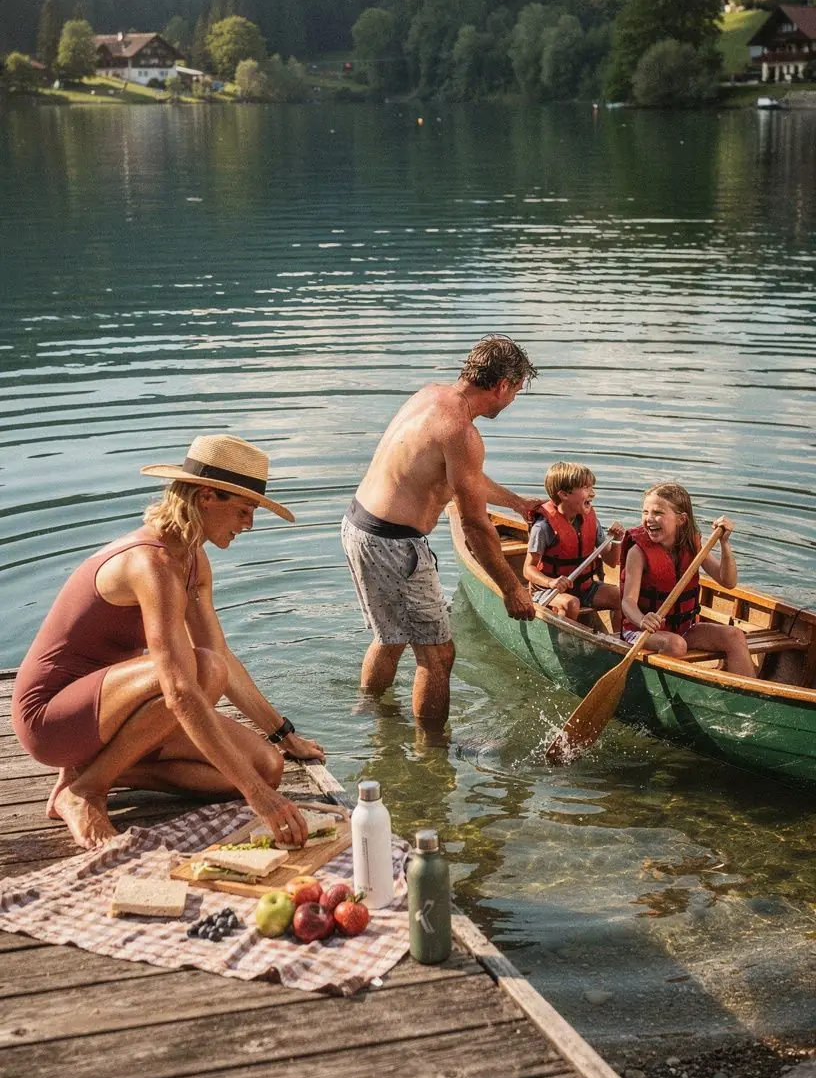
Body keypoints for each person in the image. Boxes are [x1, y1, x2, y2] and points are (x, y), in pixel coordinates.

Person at [12, 434, 328, 851]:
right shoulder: (152, 563)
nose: (249, 524)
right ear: (207, 496)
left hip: (115, 714)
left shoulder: (193, 558)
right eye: (244, 510)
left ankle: (101, 768)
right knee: (201, 672)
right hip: (53, 718)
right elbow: (181, 688)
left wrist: (283, 736)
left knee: (266, 767)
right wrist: (259, 799)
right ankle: (86, 790)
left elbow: (223, 658)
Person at [341, 335, 542, 724]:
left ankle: (367, 711)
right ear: (502, 385)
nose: (513, 400)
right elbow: (474, 525)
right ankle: (433, 753)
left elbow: (459, 479)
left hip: (359, 526)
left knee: (392, 636)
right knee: (438, 654)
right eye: (516, 390)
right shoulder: (462, 432)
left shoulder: (431, 397)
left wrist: (517, 503)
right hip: (394, 545)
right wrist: (511, 587)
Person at [619, 481, 756, 677]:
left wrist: (725, 544)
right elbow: (627, 602)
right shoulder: (637, 552)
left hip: (684, 628)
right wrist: (642, 620)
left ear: (681, 519)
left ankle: (750, 696)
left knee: (734, 635)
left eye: (657, 512)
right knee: (676, 645)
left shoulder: (692, 546)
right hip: (641, 632)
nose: (649, 519)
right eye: (645, 512)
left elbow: (728, 582)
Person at [523, 462, 624, 623]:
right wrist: (551, 582)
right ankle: (566, 645)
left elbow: (611, 562)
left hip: (584, 587)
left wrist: (617, 540)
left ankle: (620, 641)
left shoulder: (591, 520)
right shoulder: (543, 527)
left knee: (621, 596)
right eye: (586, 488)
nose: (593, 494)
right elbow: (528, 569)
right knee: (571, 603)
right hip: (547, 590)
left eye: (592, 487)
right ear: (564, 495)